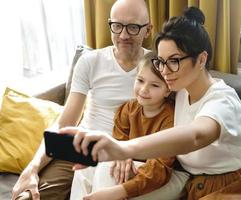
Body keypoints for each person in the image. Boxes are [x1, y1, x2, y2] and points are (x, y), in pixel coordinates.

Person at [12, 0, 241, 199]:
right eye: (161, 62)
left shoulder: (205, 95)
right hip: (177, 175)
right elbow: (228, 129)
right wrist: (33, 166)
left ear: (202, 59)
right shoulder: (178, 88)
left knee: (112, 179)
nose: (164, 71)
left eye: (173, 62)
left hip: (237, 184)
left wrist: (124, 149)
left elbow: (200, 133)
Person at [12, 0, 151, 200]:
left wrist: (129, 151)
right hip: (81, 148)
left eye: (133, 27)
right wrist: (31, 168)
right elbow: (64, 122)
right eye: (117, 26)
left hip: (125, 153)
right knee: (29, 197)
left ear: (148, 30)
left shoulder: (157, 67)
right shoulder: (90, 61)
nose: (123, 35)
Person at [71, 52, 176, 200]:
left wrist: (122, 185)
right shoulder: (127, 110)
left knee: (107, 168)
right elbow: (120, 143)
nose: (144, 89)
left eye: (154, 85)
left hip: (157, 174)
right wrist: (121, 155)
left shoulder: (170, 119)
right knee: (87, 164)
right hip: (132, 166)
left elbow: (160, 169)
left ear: (167, 90)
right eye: (140, 80)